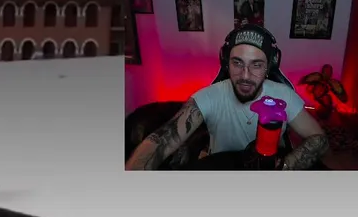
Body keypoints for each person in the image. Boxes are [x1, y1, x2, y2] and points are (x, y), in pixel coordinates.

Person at [126, 26, 329, 170]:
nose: (245, 75)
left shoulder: (284, 95)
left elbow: (319, 139)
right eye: (237, 63)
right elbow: (161, 140)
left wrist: (286, 166)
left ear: (269, 67)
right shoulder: (209, 96)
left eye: (256, 65)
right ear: (226, 62)